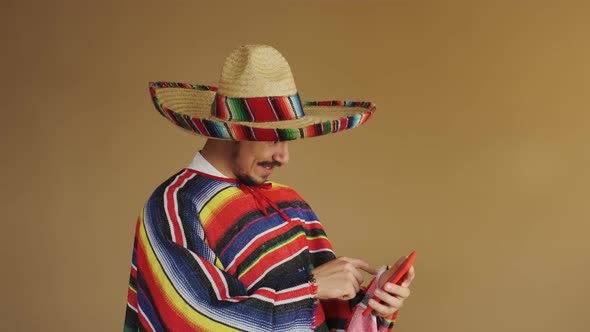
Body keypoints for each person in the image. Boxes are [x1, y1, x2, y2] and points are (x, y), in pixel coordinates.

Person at [124, 44, 415, 332]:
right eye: (274, 137)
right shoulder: (175, 206)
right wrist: (310, 287)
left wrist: (375, 304)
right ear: (230, 131)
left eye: (288, 139)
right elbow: (195, 318)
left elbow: (323, 319)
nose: (284, 157)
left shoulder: (289, 203)